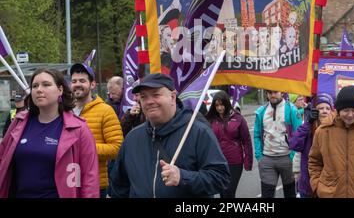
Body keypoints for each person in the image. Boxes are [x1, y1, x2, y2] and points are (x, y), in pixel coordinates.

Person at [109, 73, 230, 198]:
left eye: (156, 95)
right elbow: (119, 186)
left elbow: (220, 178)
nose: (149, 101)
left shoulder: (198, 132)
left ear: (172, 97)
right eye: (144, 97)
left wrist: (183, 177)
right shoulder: (132, 138)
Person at [0, 68, 99, 198]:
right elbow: (2, 159)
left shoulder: (79, 128)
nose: (39, 89)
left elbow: (89, 177)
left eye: (46, 85)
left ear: (60, 90)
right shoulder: (19, 122)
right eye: (35, 86)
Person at [70, 63, 123, 197]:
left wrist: (85, 148)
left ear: (92, 84)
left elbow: (117, 148)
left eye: (82, 81)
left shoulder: (105, 111)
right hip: (66, 183)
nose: (77, 84)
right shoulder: (64, 111)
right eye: (74, 81)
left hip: (94, 184)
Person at [254, 90, 302, 198]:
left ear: (282, 92)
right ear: (267, 94)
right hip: (267, 160)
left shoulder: (291, 110)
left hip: (287, 158)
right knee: (266, 195)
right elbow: (257, 134)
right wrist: (259, 156)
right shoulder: (261, 111)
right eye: (270, 92)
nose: (273, 95)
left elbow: (299, 135)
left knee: (290, 194)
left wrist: (293, 156)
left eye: (275, 92)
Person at [206, 90, 253, 198]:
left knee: (229, 191)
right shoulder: (211, 120)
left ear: (227, 103)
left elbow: (246, 141)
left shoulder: (238, 118)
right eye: (217, 105)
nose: (219, 108)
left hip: (235, 162)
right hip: (218, 161)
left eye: (222, 104)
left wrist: (248, 161)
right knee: (223, 192)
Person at [289, 93, 334, 198]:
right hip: (308, 184)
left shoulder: (336, 129)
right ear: (315, 110)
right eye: (321, 108)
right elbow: (294, 144)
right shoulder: (308, 127)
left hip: (329, 186)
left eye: (328, 108)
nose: (324, 111)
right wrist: (308, 123)